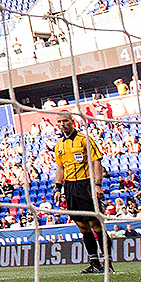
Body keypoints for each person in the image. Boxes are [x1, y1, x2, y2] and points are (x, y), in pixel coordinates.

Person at [53, 112, 109, 273]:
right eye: (59, 121)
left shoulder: (84, 140)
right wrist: (58, 188)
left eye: (65, 121)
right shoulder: (59, 145)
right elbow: (60, 167)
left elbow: (96, 161)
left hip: (86, 184)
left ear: (72, 122)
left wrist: (97, 185)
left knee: (95, 223)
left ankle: (107, 262)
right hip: (70, 187)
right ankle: (95, 263)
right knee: (82, 225)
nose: (62, 124)